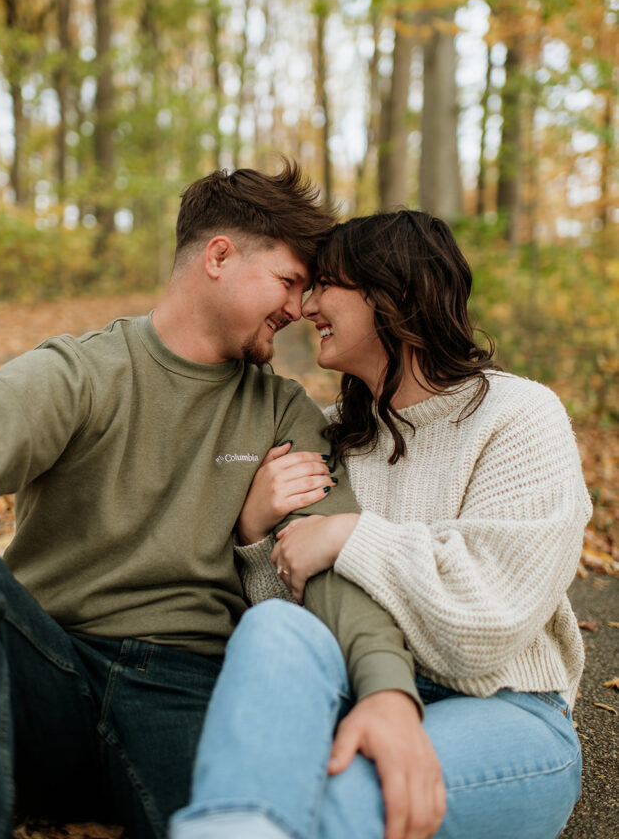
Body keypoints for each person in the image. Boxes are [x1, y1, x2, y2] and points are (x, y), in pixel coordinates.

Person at [0, 166, 442, 839]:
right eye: (289, 282)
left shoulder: (281, 411)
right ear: (219, 256)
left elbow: (325, 559)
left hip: (184, 691)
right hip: (42, 674)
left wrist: (386, 692)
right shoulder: (86, 373)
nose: (298, 309)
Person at [171, 210, 591, 839]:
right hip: (357, 693)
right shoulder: (335, 432)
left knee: (339, 799)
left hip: (503, 708)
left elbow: (483, 628)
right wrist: (259, 535)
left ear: (393, 294)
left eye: (326, 284)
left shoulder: (517, 417)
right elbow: (302, 610)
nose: (306, 304)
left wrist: (348, 536)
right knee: (274, 628)